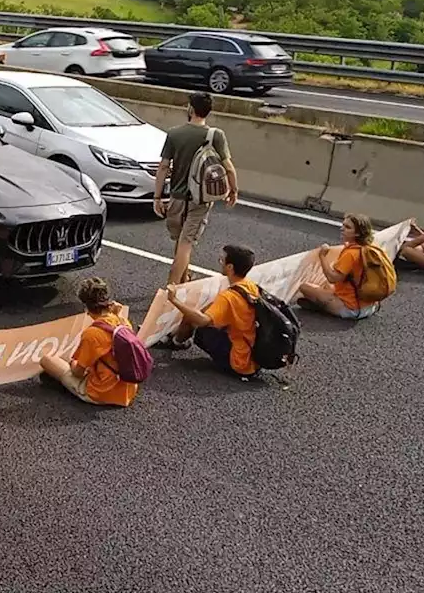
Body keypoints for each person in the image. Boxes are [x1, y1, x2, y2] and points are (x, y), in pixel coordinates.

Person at [153, 92, 239, 286]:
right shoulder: (215, 135)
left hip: (176, 197)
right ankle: (173, 288)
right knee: (186, 243)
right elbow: (228, 167)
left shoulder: (174, 134)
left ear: (191, 109)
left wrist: (157, 197)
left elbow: (163, 167)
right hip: (200, 199)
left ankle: (182, 279)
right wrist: (233, 190)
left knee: (180, 241)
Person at [161, 245, 262, 380]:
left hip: (238, 362)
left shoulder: (228, 297)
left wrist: (174, 300)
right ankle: (174, 335)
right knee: (206, 311)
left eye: (222, 260)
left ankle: (177, 342)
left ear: (230, 267)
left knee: (193, 319)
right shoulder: (250, 286)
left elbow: (202, 320)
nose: (220, 262)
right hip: (252, 356)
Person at [39, 278, 140, 407]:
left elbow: (78, 372)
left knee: (47, 360)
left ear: (86, 307)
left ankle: (68, 388)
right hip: (127, 389)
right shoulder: (123, 323)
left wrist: (73, 363)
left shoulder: (92, 334)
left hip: (101, 392)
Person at [299, 213, 381, 320]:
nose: (342, 229)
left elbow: (332, 278)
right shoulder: (371, 247)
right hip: (371, 306)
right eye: (343, 225)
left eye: (347, 227)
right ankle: (324, 302)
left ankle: (323, 308)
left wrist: (322, 256)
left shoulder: (351, 254)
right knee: (326, 285)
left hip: (352, 310)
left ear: (357, 233)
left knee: (304, 287)